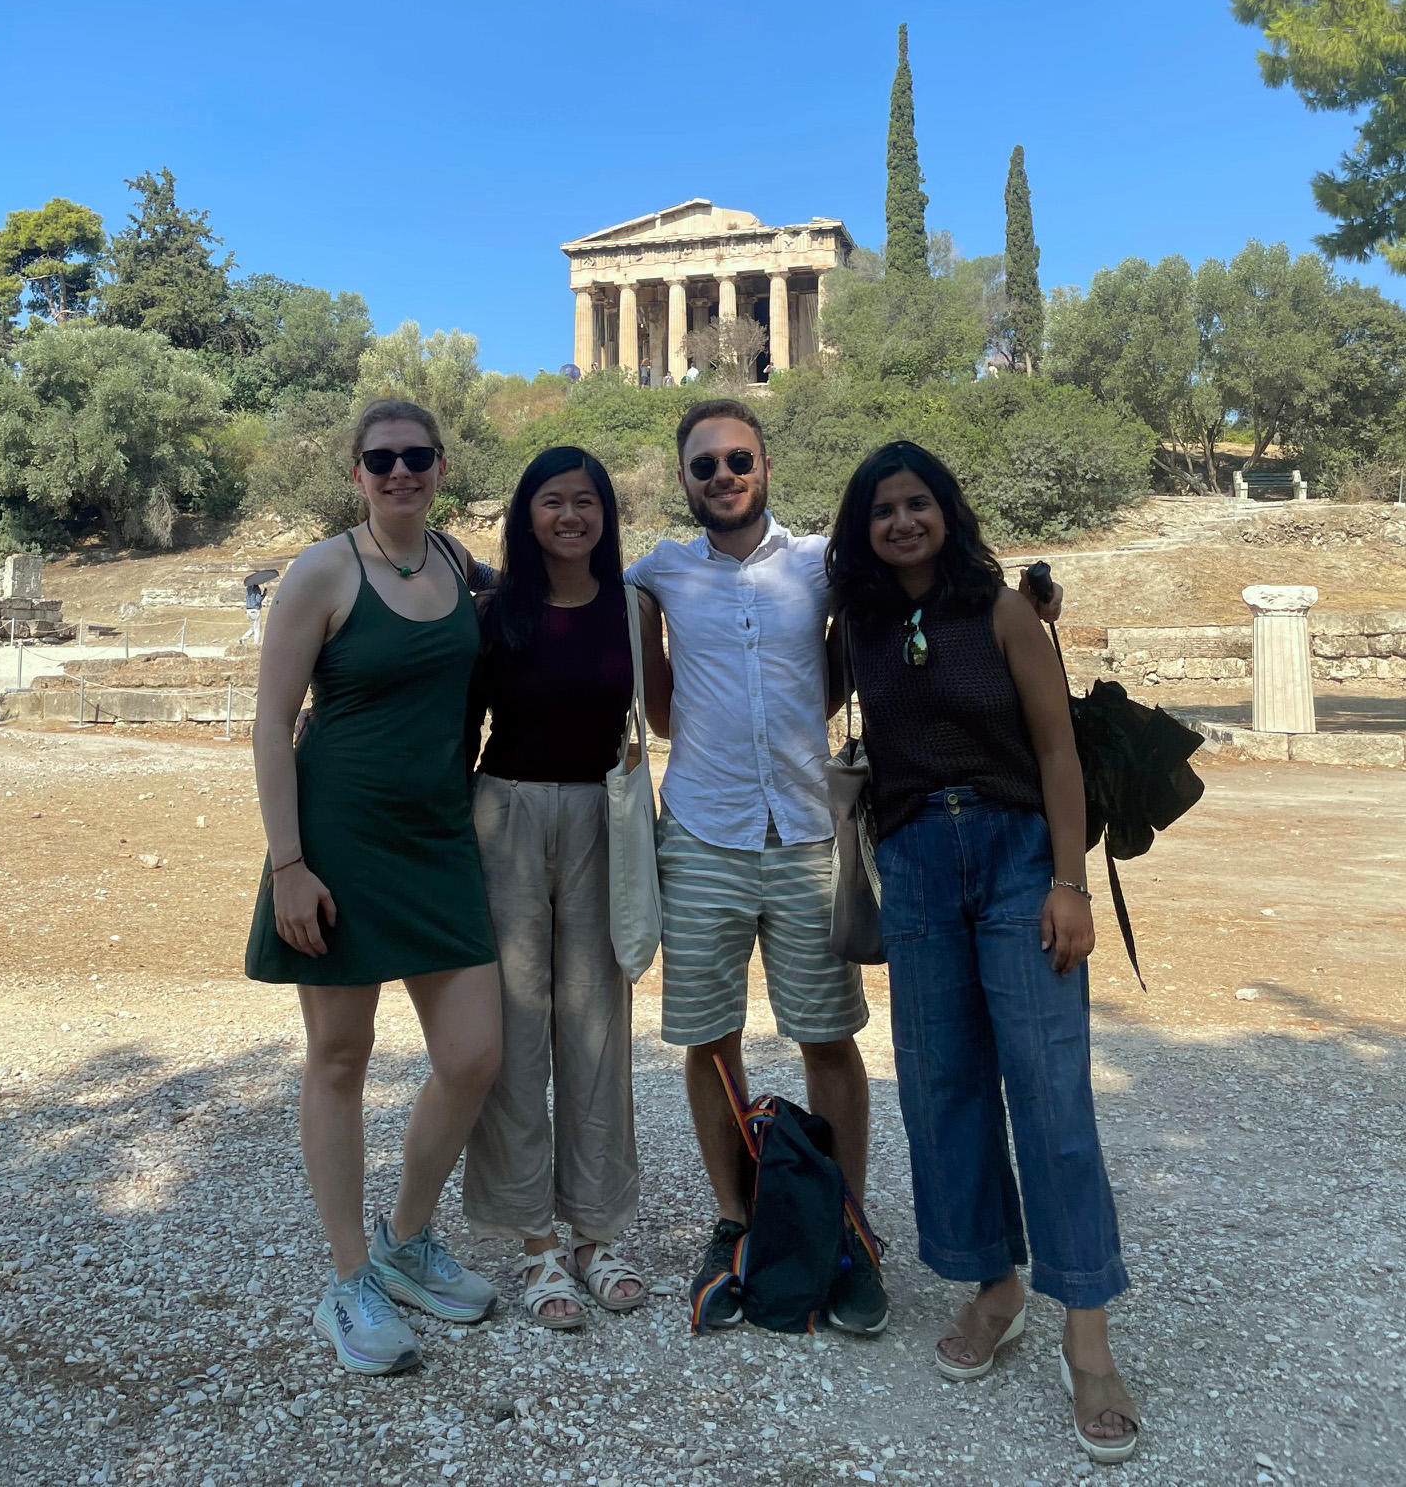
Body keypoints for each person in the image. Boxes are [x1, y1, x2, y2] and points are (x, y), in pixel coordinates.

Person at [825, 440, 1138, 1464]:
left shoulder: (1004, 612)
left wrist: (1069, 881)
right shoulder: (860, 625)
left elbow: (1055, 750)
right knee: (942, 1087)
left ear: (947, 513)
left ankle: (1086, 1339)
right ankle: (993, 1283)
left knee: (1051, 1092)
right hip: (913, 861)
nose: (903, 521)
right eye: (884, 510)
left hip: (1012, 857)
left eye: (918, 504)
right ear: (862, 531)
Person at [245, 397, 502, 1377]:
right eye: (382, 458)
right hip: (338, 843)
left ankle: (405, 1239)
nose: (401, 472)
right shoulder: (322, 570)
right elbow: (272, 725)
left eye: (418, 457)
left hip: (438, 840)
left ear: (442, 466)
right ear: (356, 472)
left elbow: (524, 606)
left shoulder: (456, 563)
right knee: (341, 1059)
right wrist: (288, 864)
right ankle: (349, 1278)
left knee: (474, 1055)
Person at [624, 397, 884, 1336]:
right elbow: (642, 688)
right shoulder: (657, 571)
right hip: (701, 833)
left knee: (828, 1039)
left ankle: (845, 1223)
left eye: (739, 460)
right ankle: (734, 1222)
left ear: (766, 465)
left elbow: (884, 620)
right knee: (710, 1038)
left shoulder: (821, 563)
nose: (724, 476)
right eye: (704, 466)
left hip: (811, 833)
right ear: (684, 480)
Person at [463, 447, 666, 1329]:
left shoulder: (631, 609)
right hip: (503, 816)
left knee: (598, 1026)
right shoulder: (492, 612)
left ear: (606, 514)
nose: (572, 516)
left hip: (601, 819)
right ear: (527, 511)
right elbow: (458, 725)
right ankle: (533, 1239)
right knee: (512, 1030)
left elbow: (663, 712)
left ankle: (597, 1228)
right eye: (554, 501)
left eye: (587, 502)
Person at [241, 580, 266, 645]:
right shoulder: (256, 589)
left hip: (248, 610)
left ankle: (243, 639)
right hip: (255, 610)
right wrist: (264, 593)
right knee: (257, 629)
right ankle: (256, 644)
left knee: (252, 628)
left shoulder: (248, 589)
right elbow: (258, 600)